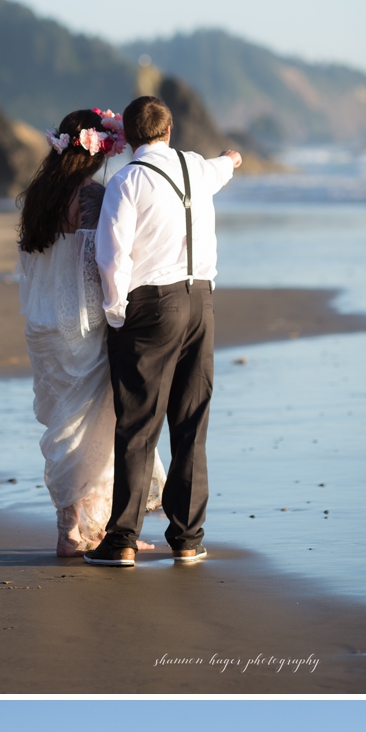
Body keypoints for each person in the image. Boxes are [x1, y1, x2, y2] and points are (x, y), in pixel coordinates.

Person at [84, 95, 242, 569]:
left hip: (152, 305)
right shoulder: (197, 167)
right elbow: (222, 167)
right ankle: (189, 538)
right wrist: (233, 158)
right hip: (202, 303)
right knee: (191, 422)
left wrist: (116, 313)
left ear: (129, 138)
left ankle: (123, 539)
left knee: (138, 423)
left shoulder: (129, 180)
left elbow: (112, 257)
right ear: (170, 132)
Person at [15, 108, 165, 555]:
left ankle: (73, 526)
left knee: (64, 421)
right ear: (97, 150)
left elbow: (37, 263)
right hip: (79, 321)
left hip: (41, 321)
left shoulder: (37, 195)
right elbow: (99, 263)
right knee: (94, 422)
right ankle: (85, 530)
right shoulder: (92, 196)